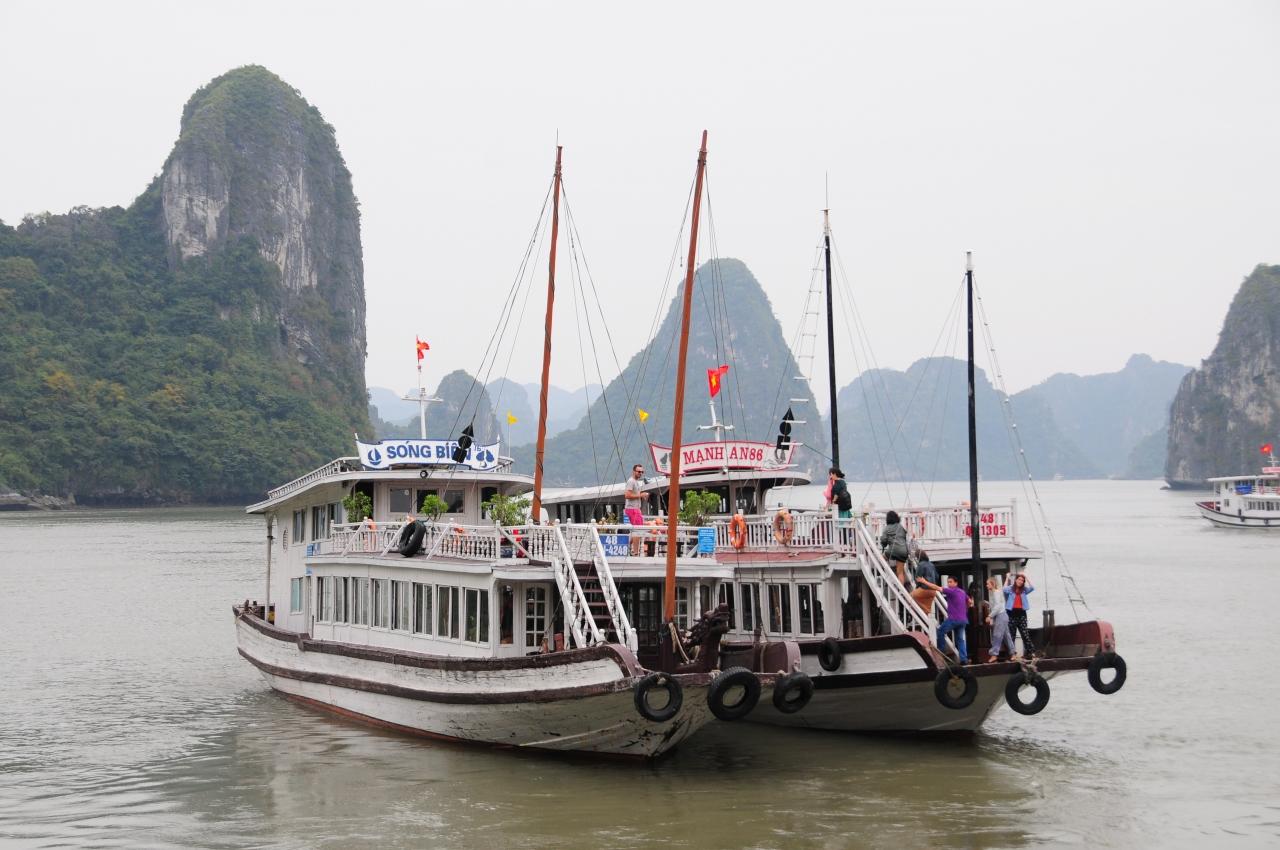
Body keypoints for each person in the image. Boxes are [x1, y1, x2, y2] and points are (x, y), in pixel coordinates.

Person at [935, 575, 972, 664]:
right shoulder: (962, 591)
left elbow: (937, 588)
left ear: (956, 583)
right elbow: (970, 601)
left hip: (954, 619)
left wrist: (924, 582)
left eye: (950, 582)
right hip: (963, 620)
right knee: (960, 640)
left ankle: (942, 653)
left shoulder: (951, 591)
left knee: (940, 632)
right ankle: (963, 659)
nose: (949, 584)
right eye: (948, 582)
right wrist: (965, 609)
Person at [1003, 572, 1037, 658]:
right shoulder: (1011, 588)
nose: (1020, 581)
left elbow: (1032, 588)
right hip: (1011, 613)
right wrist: (1007, 577)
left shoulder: (1024, 590)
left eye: (1022, 580)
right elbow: (1004, 589)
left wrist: (1026, 576)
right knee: (1012, 635)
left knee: (1025, 634)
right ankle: (1012, 654)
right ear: (1016, 580)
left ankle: (1031, 652)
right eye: (1019, 579)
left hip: (1021, 614)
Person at [985, 577, 1015, 662]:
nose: (986, 585)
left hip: (1000, 616)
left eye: (988, 584)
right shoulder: (994, 593)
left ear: (992, 584)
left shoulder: (996, 593)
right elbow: (997, 605)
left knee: (997, 635)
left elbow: (998, 606)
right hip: (1002, 615)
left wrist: (990, 616)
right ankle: (1013, 653)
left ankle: (994, 655)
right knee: (1006, 636)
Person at [624, 464, 649, 555]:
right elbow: (627, 495)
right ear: (634, 471)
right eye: (639, 471)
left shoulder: (636, 482)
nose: (640, 473)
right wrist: (641, 495)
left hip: (636, 509)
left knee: (638, 530)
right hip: (632, 509)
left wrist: (641, 496)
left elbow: (633, 495)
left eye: (642, 472)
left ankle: (624, 545)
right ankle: (635, 553)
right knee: (637, 531)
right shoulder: (631, 481)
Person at [880, 510, 910, 584]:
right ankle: (901, 589)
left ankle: (887, 574)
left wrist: (884, 544)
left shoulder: (887, 528)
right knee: (900, 572)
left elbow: (883, 540)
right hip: (903, 551)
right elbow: (904, 537)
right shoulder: (900, 526)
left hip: (893, 550)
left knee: (881, 559)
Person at [826, 467, 853, 546]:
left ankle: (841, 543)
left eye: (831, 474)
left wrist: (832, 503)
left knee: (840, 524)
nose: (830, 476)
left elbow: (836, 495)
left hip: (839, 507)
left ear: (834, 474)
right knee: (845, 524)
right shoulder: (843, 482)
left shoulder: (837, 483)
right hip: (845, 506)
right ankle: (846, 542)